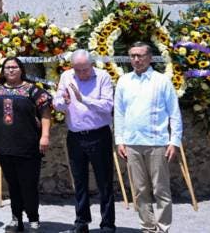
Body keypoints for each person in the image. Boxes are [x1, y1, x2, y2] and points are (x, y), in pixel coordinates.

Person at [114, 41, 182, 233]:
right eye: (133, 55)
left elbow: (174, 113)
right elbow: (119, 113)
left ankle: (163, 228)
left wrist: (174, 141)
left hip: (157, 143)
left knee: (161, 190)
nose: (136, 59)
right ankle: (147, 227)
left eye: (141, 55)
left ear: (150, 58)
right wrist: (120, 140)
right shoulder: (124, 81)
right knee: (139, 190)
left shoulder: (162, 81)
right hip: (132, 144)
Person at [0, 56, 51, 233]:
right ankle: (16, 219)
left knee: (29, 184)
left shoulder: (32, 91)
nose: (11, 70)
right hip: (4, 146)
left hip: (29, 147)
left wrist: (45, 136)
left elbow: (46, 112)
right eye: (7, 67)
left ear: (21, 70)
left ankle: (33, 219)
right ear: (3, 71)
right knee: (13, 184)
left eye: (14, 67)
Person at [53, 50, 116, 233]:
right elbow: (57, 102)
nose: (81, 74)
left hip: (99, 135)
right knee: (79, 181)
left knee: (104, 181)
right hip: (75, 135)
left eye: (85, 70)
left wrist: (84, 99)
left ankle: (107, 224)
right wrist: (63, 102)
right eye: (78, 70)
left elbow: (108, 106)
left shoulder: (103, 77)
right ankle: (81, 221)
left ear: (92, 65)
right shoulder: (66, 76)